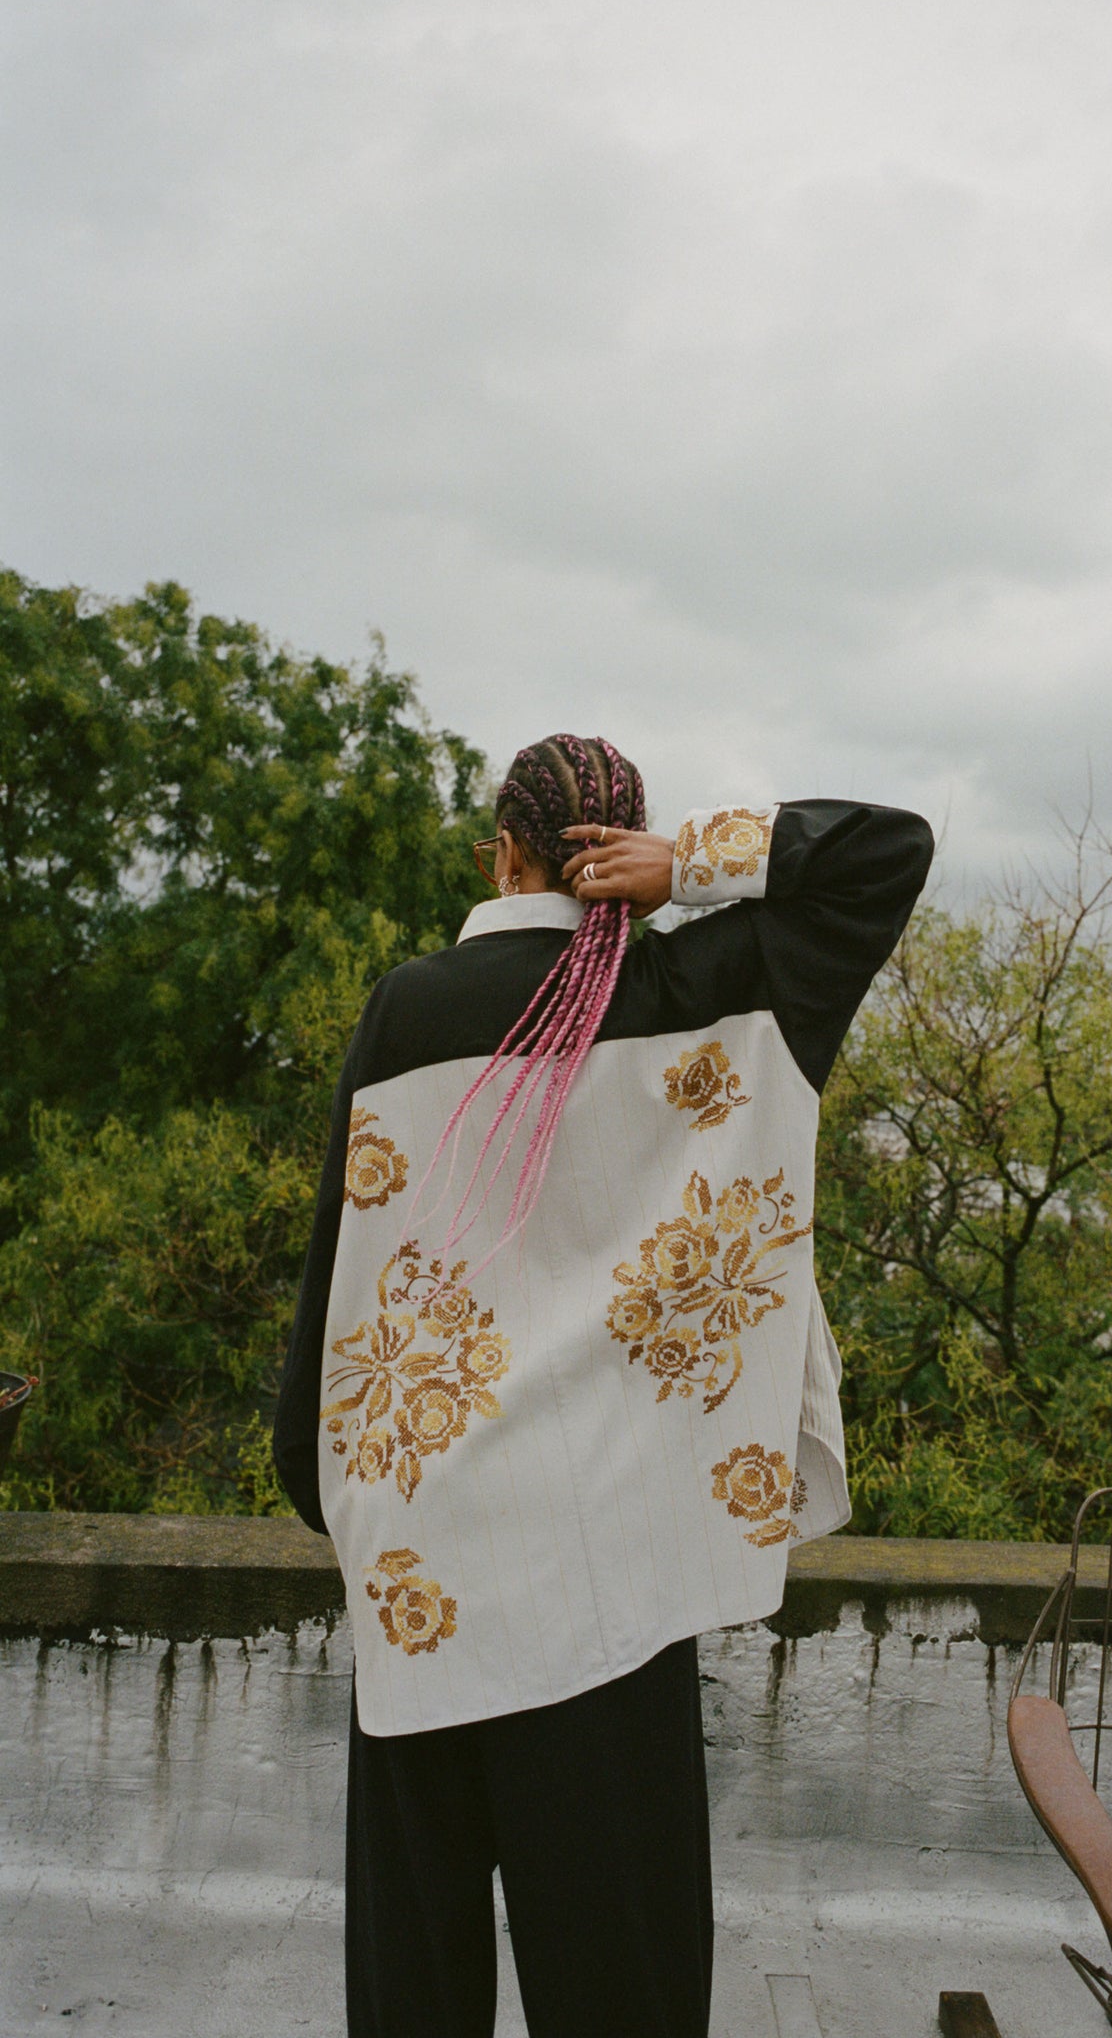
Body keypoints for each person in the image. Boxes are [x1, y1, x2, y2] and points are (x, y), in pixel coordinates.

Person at [273, 733, 933, 2038]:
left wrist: (320, 1484)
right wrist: (692, 866)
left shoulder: (414, 1006)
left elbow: (342, 1272)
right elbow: (883, 852)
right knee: (616, 1972)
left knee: (420, 1968)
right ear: (611, 858)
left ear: (503, 851)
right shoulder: (714, 987)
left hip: (429, 1564)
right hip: (613, 1573)